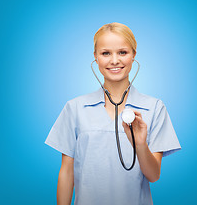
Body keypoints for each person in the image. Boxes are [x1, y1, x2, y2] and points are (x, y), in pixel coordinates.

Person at [45, 22, 182, 205]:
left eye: (123, 52)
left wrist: (140, 143)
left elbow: (153, 175)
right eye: (106, 53)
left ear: (134, 55)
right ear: (96, 57)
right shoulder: (75, 108)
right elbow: (67, 172)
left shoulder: (154, 107)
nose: (114, 60)